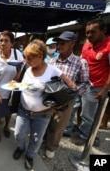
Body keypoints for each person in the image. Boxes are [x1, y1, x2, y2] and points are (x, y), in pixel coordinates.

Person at [12, 39, 76, 170]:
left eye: (30, 58)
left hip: (42, 114)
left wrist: (70, 88)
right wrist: (14, 85)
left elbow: (69, 83)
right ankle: (20, 147)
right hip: (23, 110)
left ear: (40, 57)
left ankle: (30, 156)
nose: (26, 60)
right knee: (18, 134)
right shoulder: (26, 67)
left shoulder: (52, 70)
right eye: (25, 57)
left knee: (36, 139)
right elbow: (17, 81)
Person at [44, 31, 90, 159]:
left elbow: (85, 83)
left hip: (66, 100)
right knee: (45, 120)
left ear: (72, 43)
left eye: (62, 43)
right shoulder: (52, 61)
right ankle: (43, 140)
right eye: (57, 43)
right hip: (50, 96)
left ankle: (51, 147)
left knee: (58, 126)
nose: (58, 46)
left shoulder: (81, 62)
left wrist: (74, 91)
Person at [72, 19, 110, 146]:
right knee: (76, 108)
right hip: (81, 83)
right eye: (87, 32)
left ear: (103, 30)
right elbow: (81, 62)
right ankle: (80, 129)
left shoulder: (109, 45)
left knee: (88, 114)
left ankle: (86, 136)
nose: (88, 35)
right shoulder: (87, 44)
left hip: (96, 87)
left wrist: (104, 89)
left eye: (92, 32)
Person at [0, 30, 24, 143]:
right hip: (0, 90)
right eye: (1, 41)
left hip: (13, 90)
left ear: (12, 43)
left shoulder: (17, 54)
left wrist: (18, 76)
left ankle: (6, 126)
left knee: (9, 111)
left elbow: (21, 68)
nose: (3, 43)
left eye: (6, 41)